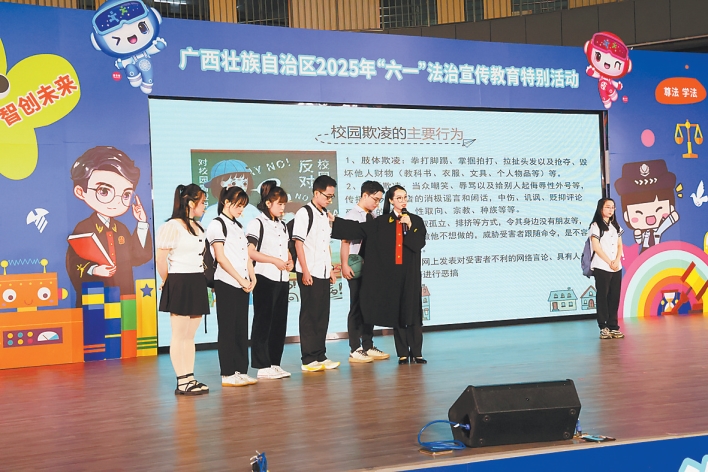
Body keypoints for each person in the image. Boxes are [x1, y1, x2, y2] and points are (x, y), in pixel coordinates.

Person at [331, 185, 427, 365]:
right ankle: (402, 353)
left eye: (405, 197)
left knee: (413, 311)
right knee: (397, 311)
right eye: (399, 198)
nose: (403, 201)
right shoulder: (382, 221)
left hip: (411, 273)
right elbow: (359, 230)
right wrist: (335, 222)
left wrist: (410, 226)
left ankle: (417, 352)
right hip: (392, 274)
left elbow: (418, 243)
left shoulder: (416, 220)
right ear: (391, 201)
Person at [67, 146, 153, 306]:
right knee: (96, 320)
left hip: (123, 292)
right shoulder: (83, 228)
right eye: (104, 191)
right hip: (95, 294)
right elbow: (73, 263)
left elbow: (138, 257)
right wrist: (94, 269)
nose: (116, 201)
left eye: (126, 194)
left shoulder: (121, 229)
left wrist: (142, 222)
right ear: (80, 191)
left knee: (124, 321)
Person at [156, 184, 211, 395]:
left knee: (189, 336)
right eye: (202, 202)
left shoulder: (198, 226)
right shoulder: (172, 226)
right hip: (179, 280)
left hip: (197, 280)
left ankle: (190, 377)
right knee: (179, 335)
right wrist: (167, 281)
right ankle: (182, 381)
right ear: (190, 203)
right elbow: (161, 259)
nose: (204, 206)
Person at [207, 186, 258, 388]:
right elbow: (220, 258)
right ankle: (228, 373)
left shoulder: (238, 226)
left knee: (240, 329)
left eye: (243, 206)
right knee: (227, 329)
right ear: (226, 202)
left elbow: (245, 255)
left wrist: (252, 277)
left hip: (242, 283)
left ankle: (241, 370)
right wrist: (240, 279)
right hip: (226, 282)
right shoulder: (216, 224)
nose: (241, 210)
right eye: (238, 205)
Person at [246, 181, 294, 380]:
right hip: (265, 277)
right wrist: (274, 260)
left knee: (279, 323)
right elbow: (251, 252)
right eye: (279, 204)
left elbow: (286, 249)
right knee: (263, 322)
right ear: (268, 203)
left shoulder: (282, 225)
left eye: (284, 204)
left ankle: (275, 363)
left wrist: (290, 261)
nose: (282, 208)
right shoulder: (257, 223)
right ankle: (262, 365)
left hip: (282, 278)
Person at [293, 175, 339, 372]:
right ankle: (308, 358)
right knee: (309, 315)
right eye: (327, 196)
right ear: (316, 193)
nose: (329, 200)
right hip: (309, 270)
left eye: (332, 197)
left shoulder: (325, 215)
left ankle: (320, 354)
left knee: (322, 314)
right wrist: (305, 271)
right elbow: (298, 243)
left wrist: (330, 269)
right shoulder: (304, 213)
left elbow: (325, 244)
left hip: (323, 270)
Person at [340, 181, 390, 363]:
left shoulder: (374, 216)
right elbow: (345, 242)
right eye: (375, 199)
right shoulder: (352, 216)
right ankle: (355, 348)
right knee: (356, 307)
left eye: (379, 200)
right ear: (365, 195)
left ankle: (368, 345)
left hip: (372, 268)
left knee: (370, 306)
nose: (377, 203)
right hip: (355, 267)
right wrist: (344, 264)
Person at [589, 198, 625, 339]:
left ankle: (613, 326)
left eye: (613, 207)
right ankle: (603, 326)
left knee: (614, 297)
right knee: (602, 297)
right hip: (601, 266)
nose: (611, 210)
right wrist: (609, 261)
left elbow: (620, 245)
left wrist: (616, 260)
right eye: (608, 207)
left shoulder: (615, 226)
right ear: (601, 209)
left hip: (616, 267)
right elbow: (596, 247)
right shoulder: (595, 226)